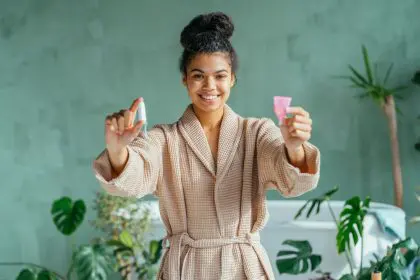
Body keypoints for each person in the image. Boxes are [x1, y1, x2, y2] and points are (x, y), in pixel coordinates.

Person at [93, 11, 320, 280]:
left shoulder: (257, 132)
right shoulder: (164, 139)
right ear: (185, 80)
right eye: (198, 76)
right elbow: (137, 173)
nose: (210, 86)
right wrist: (118, 150)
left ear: (232, 78)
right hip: (185, 268)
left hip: (243, 268)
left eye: (220, 76)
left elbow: (292, 182)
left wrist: (294, 147)